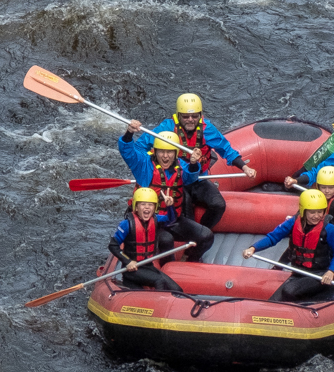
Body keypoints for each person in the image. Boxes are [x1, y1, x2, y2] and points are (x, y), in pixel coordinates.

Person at [135, 93, 257, 229]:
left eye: (195, 116)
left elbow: (226, 150)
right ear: (179, 116)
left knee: (218, 205)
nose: (190, 120)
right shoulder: (167, 128)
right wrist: (149, 165)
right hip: (175, 180)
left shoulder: (207, 129)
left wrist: (245, 168)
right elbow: (140, 146)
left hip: (198, 178)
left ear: (200, 115)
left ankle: (203, 232)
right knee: (184, 211)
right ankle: (191, 236)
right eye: (186, 117)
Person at [118, 120, 213, 263]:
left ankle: (189, 258)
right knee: (166, 240)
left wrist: (194, 163)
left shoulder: (181, 166)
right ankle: (167, 268)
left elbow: (190, 177)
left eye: (169, 152)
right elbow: (127, 150)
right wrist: (129, 132)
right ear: (154, 151)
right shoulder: (143, 165)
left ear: (176, 153)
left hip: (171, 218)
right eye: (161, 151)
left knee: (206, 236)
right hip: (147, 221)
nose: (165, 156)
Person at [242, 190, 334, 302]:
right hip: (299, 272)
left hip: (319, 274)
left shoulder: (328, 229)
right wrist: (253, 248)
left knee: (289, 290)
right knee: (274, 300)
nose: (316, 216)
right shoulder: (293, 222)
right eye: (312, 212)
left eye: (320, 212)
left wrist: (331, 271)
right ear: (303, 211)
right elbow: (273, 237)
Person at [108, 188, 183, 291]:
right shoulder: (126, 224)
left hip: (147, 265)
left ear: (154, 208)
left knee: (177, 289)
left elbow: (171, 219)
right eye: (143, 204)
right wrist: (128, 261)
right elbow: (113, 246)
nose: (147, 207)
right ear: (136, 207)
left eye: (150, 205)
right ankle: (159, 304)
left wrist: (170, 206)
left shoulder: (156, 219)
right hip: (132, 269)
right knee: (159, 280)